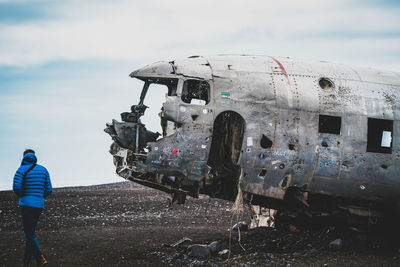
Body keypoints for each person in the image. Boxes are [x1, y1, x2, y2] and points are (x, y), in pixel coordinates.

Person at [13, 149, 52, 267]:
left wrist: (23, 196)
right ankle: (26, 260)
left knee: (29, 233)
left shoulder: (21, 170)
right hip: (39, 205)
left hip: (26, 204)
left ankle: (39, 258)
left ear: (23, 157)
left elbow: (16, 187)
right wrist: (39, 196)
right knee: (31, 233)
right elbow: (49, 189)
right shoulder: (44, 170)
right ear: (34, 156)